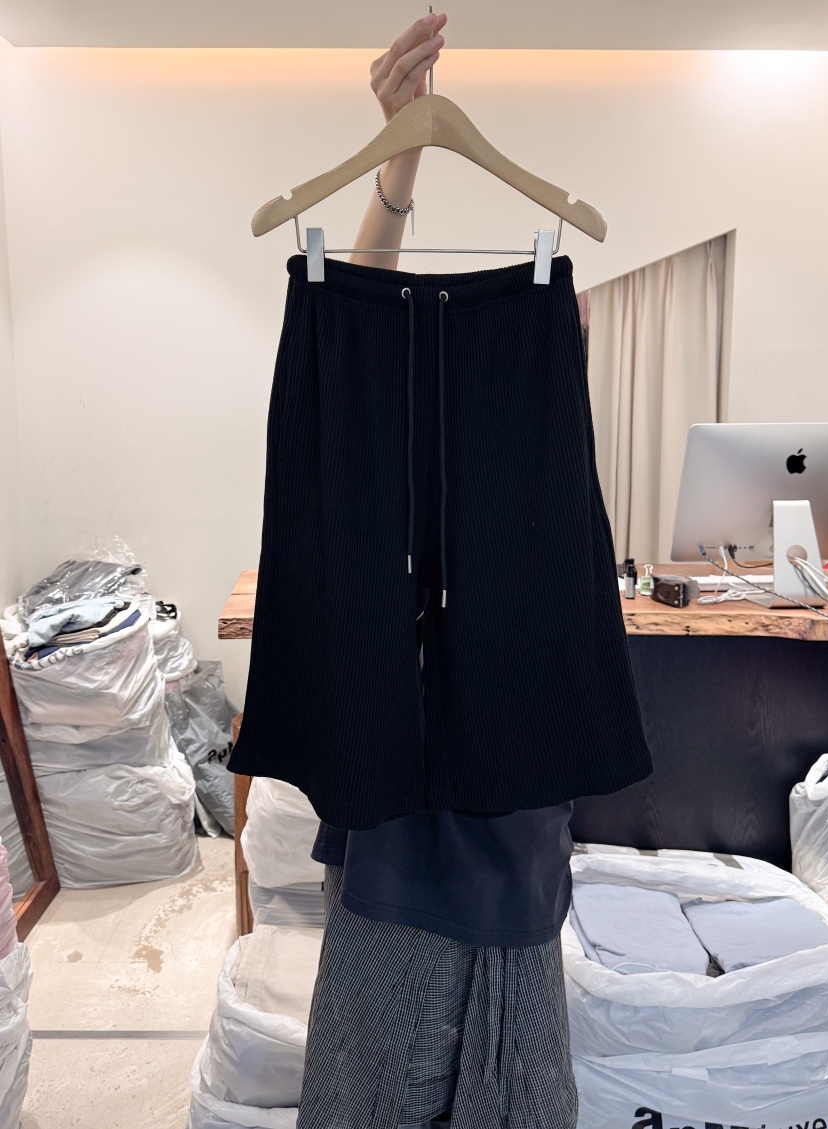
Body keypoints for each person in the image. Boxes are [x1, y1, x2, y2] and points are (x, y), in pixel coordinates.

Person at [295, 16, 580, 1129]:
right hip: (398, 804)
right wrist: (398, 165)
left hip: (505, 804)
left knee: (504, 1077)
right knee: (383, 1073)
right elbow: (354, 344)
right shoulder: (369, 393)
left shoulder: (536, 358)